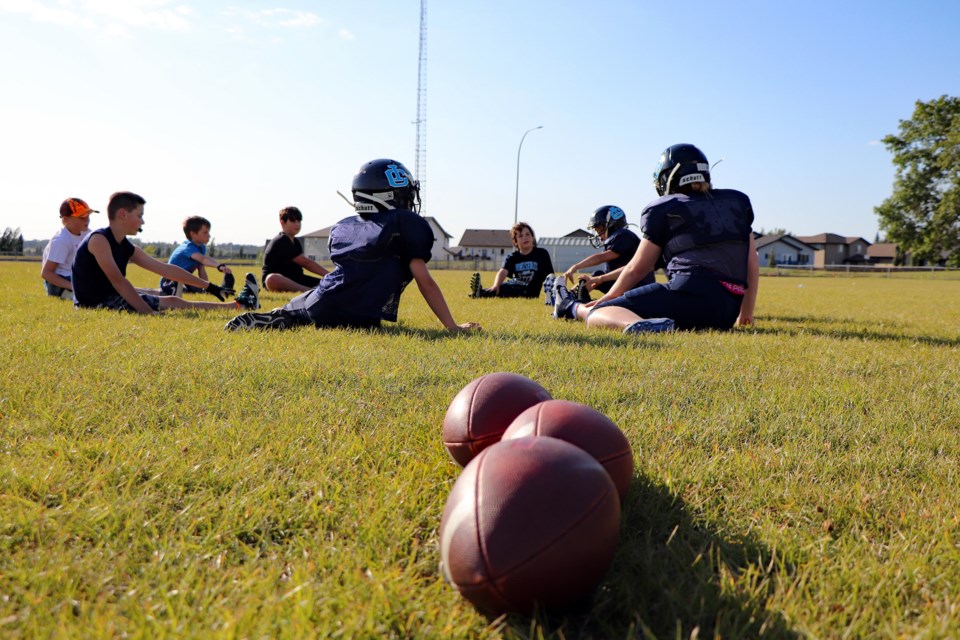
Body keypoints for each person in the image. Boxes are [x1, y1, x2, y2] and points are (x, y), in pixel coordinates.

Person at [226, 159, 480, 334]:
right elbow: (425, 281)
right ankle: (279, 316)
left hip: (330, 302)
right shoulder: (404, 225)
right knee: (296, 312)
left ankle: (281, 313)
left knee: (301, 308)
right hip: (361, 314)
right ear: (389, 196)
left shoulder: (349, 226)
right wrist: (452, 326)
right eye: (405, 194)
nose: (409, 201)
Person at [552, 143, 758, 333]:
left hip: (688, 294)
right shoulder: (737, 202)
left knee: (598, 313)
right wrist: (746, 313)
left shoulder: (665, 209)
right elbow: (751, 264)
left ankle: (574, 308)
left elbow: (637, 268)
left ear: (668, 178)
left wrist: (607, 299)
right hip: (726, 312)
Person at [72, 191, 260, 315]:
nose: (142, 222)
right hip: (94, 304)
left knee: (170, 299)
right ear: (123, 214)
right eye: (139, 215)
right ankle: (237, 306)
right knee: (172, 301)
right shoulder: (99, 240)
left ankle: (236, 305)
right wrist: (149, 313)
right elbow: (119, 282)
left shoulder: (125, 245)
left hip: (107, 296)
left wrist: (209, 286)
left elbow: (165, 269)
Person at [557, 205, 653, 303]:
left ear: (611, 225)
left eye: (599, 229)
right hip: (626, 282)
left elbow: (600, 258)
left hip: (637, 286)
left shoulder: (624, 235)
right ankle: (570, 296)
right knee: (595, 276)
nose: (598, 234)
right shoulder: (619, 237)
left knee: (597, 277)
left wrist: (576, 267)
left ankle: (568, 298)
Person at [468, 222, 554, 298]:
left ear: (532, 237)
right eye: (520, 236)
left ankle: (481, 293)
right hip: (514, 285)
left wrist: (553, 294)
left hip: (530, 290)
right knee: (502, 287)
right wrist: (495, 285)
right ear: (515, 241)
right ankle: (480, 293)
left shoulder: (541, 254)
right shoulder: (512, 257)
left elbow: (550, 276)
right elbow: (503, 271)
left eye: (527, 234)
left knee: (507, 288)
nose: (525, 238)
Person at [159, 216, 234, 297]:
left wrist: (208, 287)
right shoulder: (188, 247)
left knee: (200, 289)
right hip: (170, 282)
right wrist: (219, 266)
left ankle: (223, 290)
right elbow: (202, 259)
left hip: (185, 281)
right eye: (205, 232)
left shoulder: (201, 248)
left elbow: (201, 269)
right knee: (184, 290)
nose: (209, 235)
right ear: (193, 234)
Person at [261, 206, 329, 293]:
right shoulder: (281, 240)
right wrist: (330, 275)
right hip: (278, 281)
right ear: (282, 222)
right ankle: (309, 292)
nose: (297, 224)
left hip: (297, 279)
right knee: (271, 279)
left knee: (327, 284)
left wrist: (329, 279)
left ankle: (314, 290)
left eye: (299, 221)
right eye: (293, 220)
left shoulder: (295, 242)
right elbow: (306, 263)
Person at [41, 198, 97, 299]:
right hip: (60, 284)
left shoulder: (87, 234)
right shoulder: (61, 241)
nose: (87, 220)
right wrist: (73, 286)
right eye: (82, 217)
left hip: (76, 277)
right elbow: (47, 273)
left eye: (88, 216)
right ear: (66, 220)